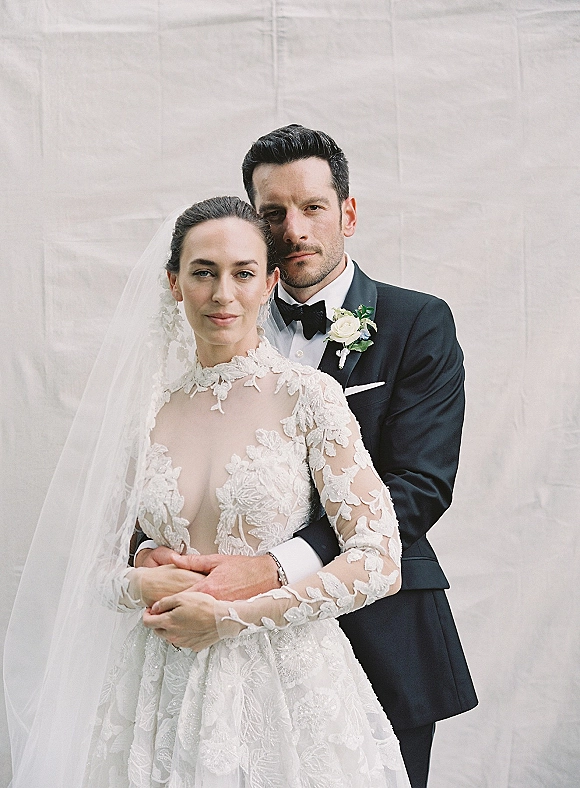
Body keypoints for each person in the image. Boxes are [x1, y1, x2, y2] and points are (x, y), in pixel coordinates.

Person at [5, 195, 411, 787]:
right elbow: (93, 564)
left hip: (282, 686)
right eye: (203, 273)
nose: (223, 294)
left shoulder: (310, 397)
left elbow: (380, 559)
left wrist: (236, 616)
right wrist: (138, 579)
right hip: (155, 688)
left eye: (243, 273)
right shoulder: (147, 411)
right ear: (174, 282)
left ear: (270, 282)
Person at [136, 126, 478, 788]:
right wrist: (152, 554)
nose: (293, 229)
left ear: (348, 213)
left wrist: (270, 569)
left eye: (313, 207)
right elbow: (158, 469)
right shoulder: (216, 316)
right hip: (212, 651)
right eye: (273, 213)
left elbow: (419, 485)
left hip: (382, 629)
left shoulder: (416, 324)